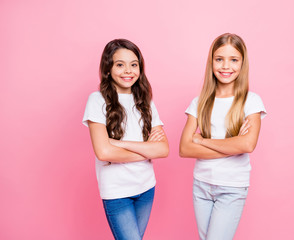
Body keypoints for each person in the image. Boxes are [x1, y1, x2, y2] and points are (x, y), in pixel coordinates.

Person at [179, 33, 267, 240]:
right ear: (211, 62)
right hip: (201, 185)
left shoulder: (251, 101)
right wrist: (230, 146)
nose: (226, 66)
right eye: (219, 59)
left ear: (242, 64)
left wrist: (202, 140)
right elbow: (184, 148)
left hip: (232, 186)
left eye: (233, 60)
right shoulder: (199, 102)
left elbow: (246, 145)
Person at [82, 39, 169, 240]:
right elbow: (104, 153)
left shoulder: (146, 102)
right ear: (108, 68)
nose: (127, 71)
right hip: (117, 192)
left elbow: (163, 149)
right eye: (120, 64)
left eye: (134, 64)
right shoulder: (97, 100)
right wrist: (147, 149)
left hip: (146, 187)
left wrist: (118, 143)